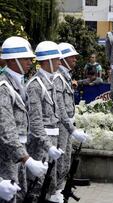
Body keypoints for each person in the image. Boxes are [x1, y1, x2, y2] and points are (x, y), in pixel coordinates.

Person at [0, 36, 48, 202]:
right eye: (26, 58)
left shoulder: (17, 83)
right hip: (7, 156)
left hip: (18, 153)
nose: (30, 62)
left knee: (19, 196)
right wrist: (27, 160)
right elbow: (6, 130)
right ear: (13, 60)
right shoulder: (4, 88)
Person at [26, 41, 64, 201]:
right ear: (47, 61)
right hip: (41, 144)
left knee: (49, 184)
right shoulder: (35, 85)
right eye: (56, 59)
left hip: (51, 141)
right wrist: (48, 146)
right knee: (37, 186)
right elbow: (35, 122)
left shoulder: (50, 82)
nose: (59, 62)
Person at [54, 42, 89, 201]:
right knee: (61, 160)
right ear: (62, 58)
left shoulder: (64, 76)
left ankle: (59, 190)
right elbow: (60, 106)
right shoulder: (58, 77)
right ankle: (55, 191)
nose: (75, 58)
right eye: (71, 56)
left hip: (66, 125)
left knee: (65, 160)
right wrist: (71, 128)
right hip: (61, 126)